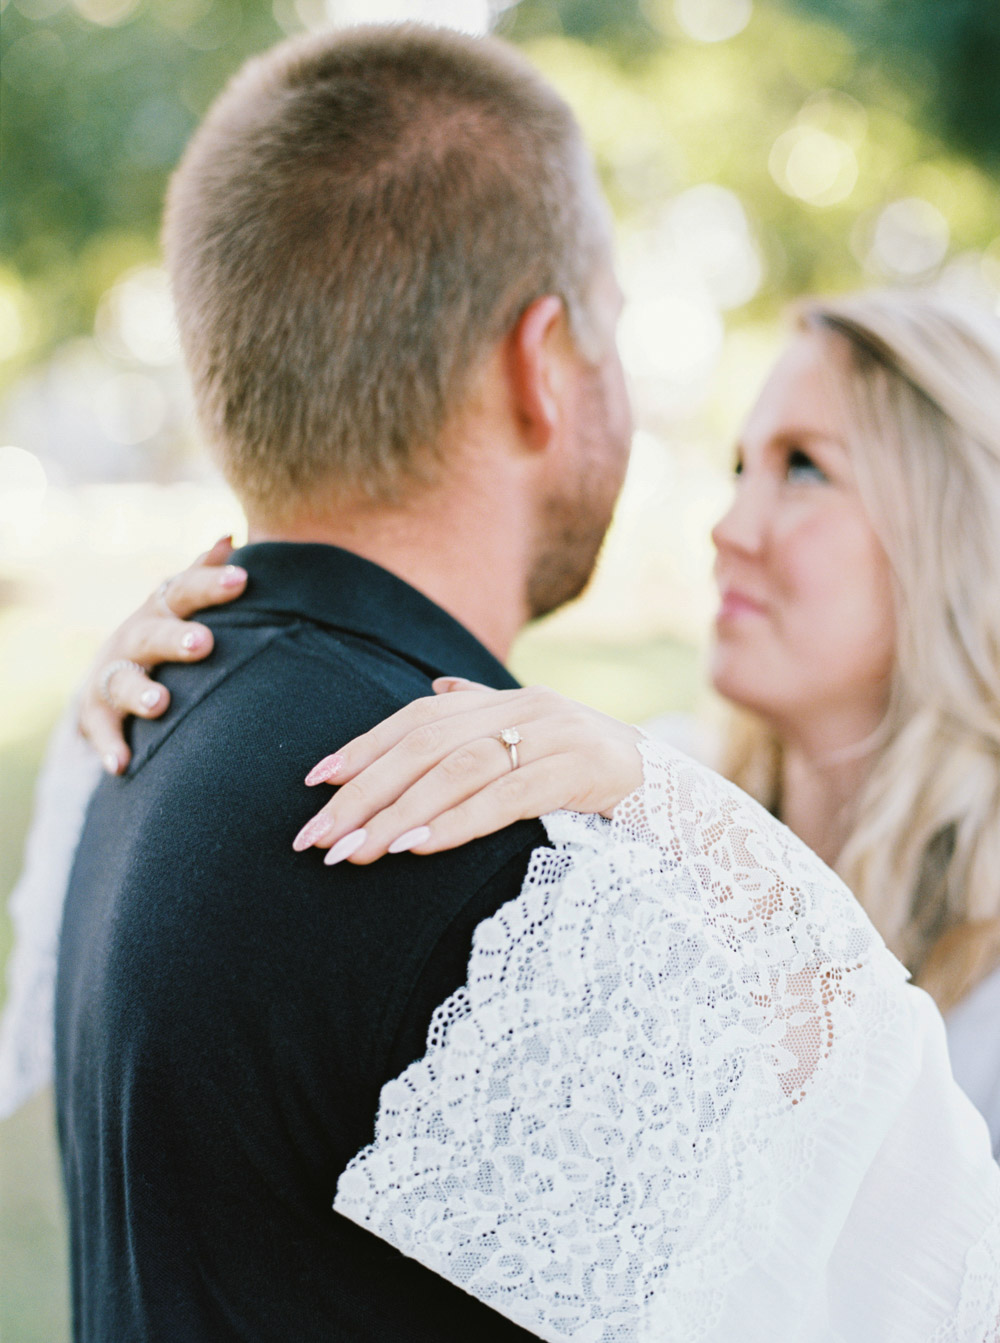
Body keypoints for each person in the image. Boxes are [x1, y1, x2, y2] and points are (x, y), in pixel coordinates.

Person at [2, 30, 999, 1343]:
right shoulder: (528, 851)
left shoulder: (608, 817)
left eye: (806, 466)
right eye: (743, 461)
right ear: (543, 363)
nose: (729, 523)